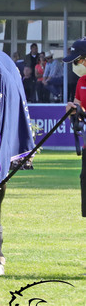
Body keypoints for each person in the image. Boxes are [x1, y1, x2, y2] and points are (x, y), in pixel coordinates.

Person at [64, 38, 86, 217]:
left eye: (77, 60)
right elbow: (79, 111)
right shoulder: (81, 82)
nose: (75, 64)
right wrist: (73, 110)